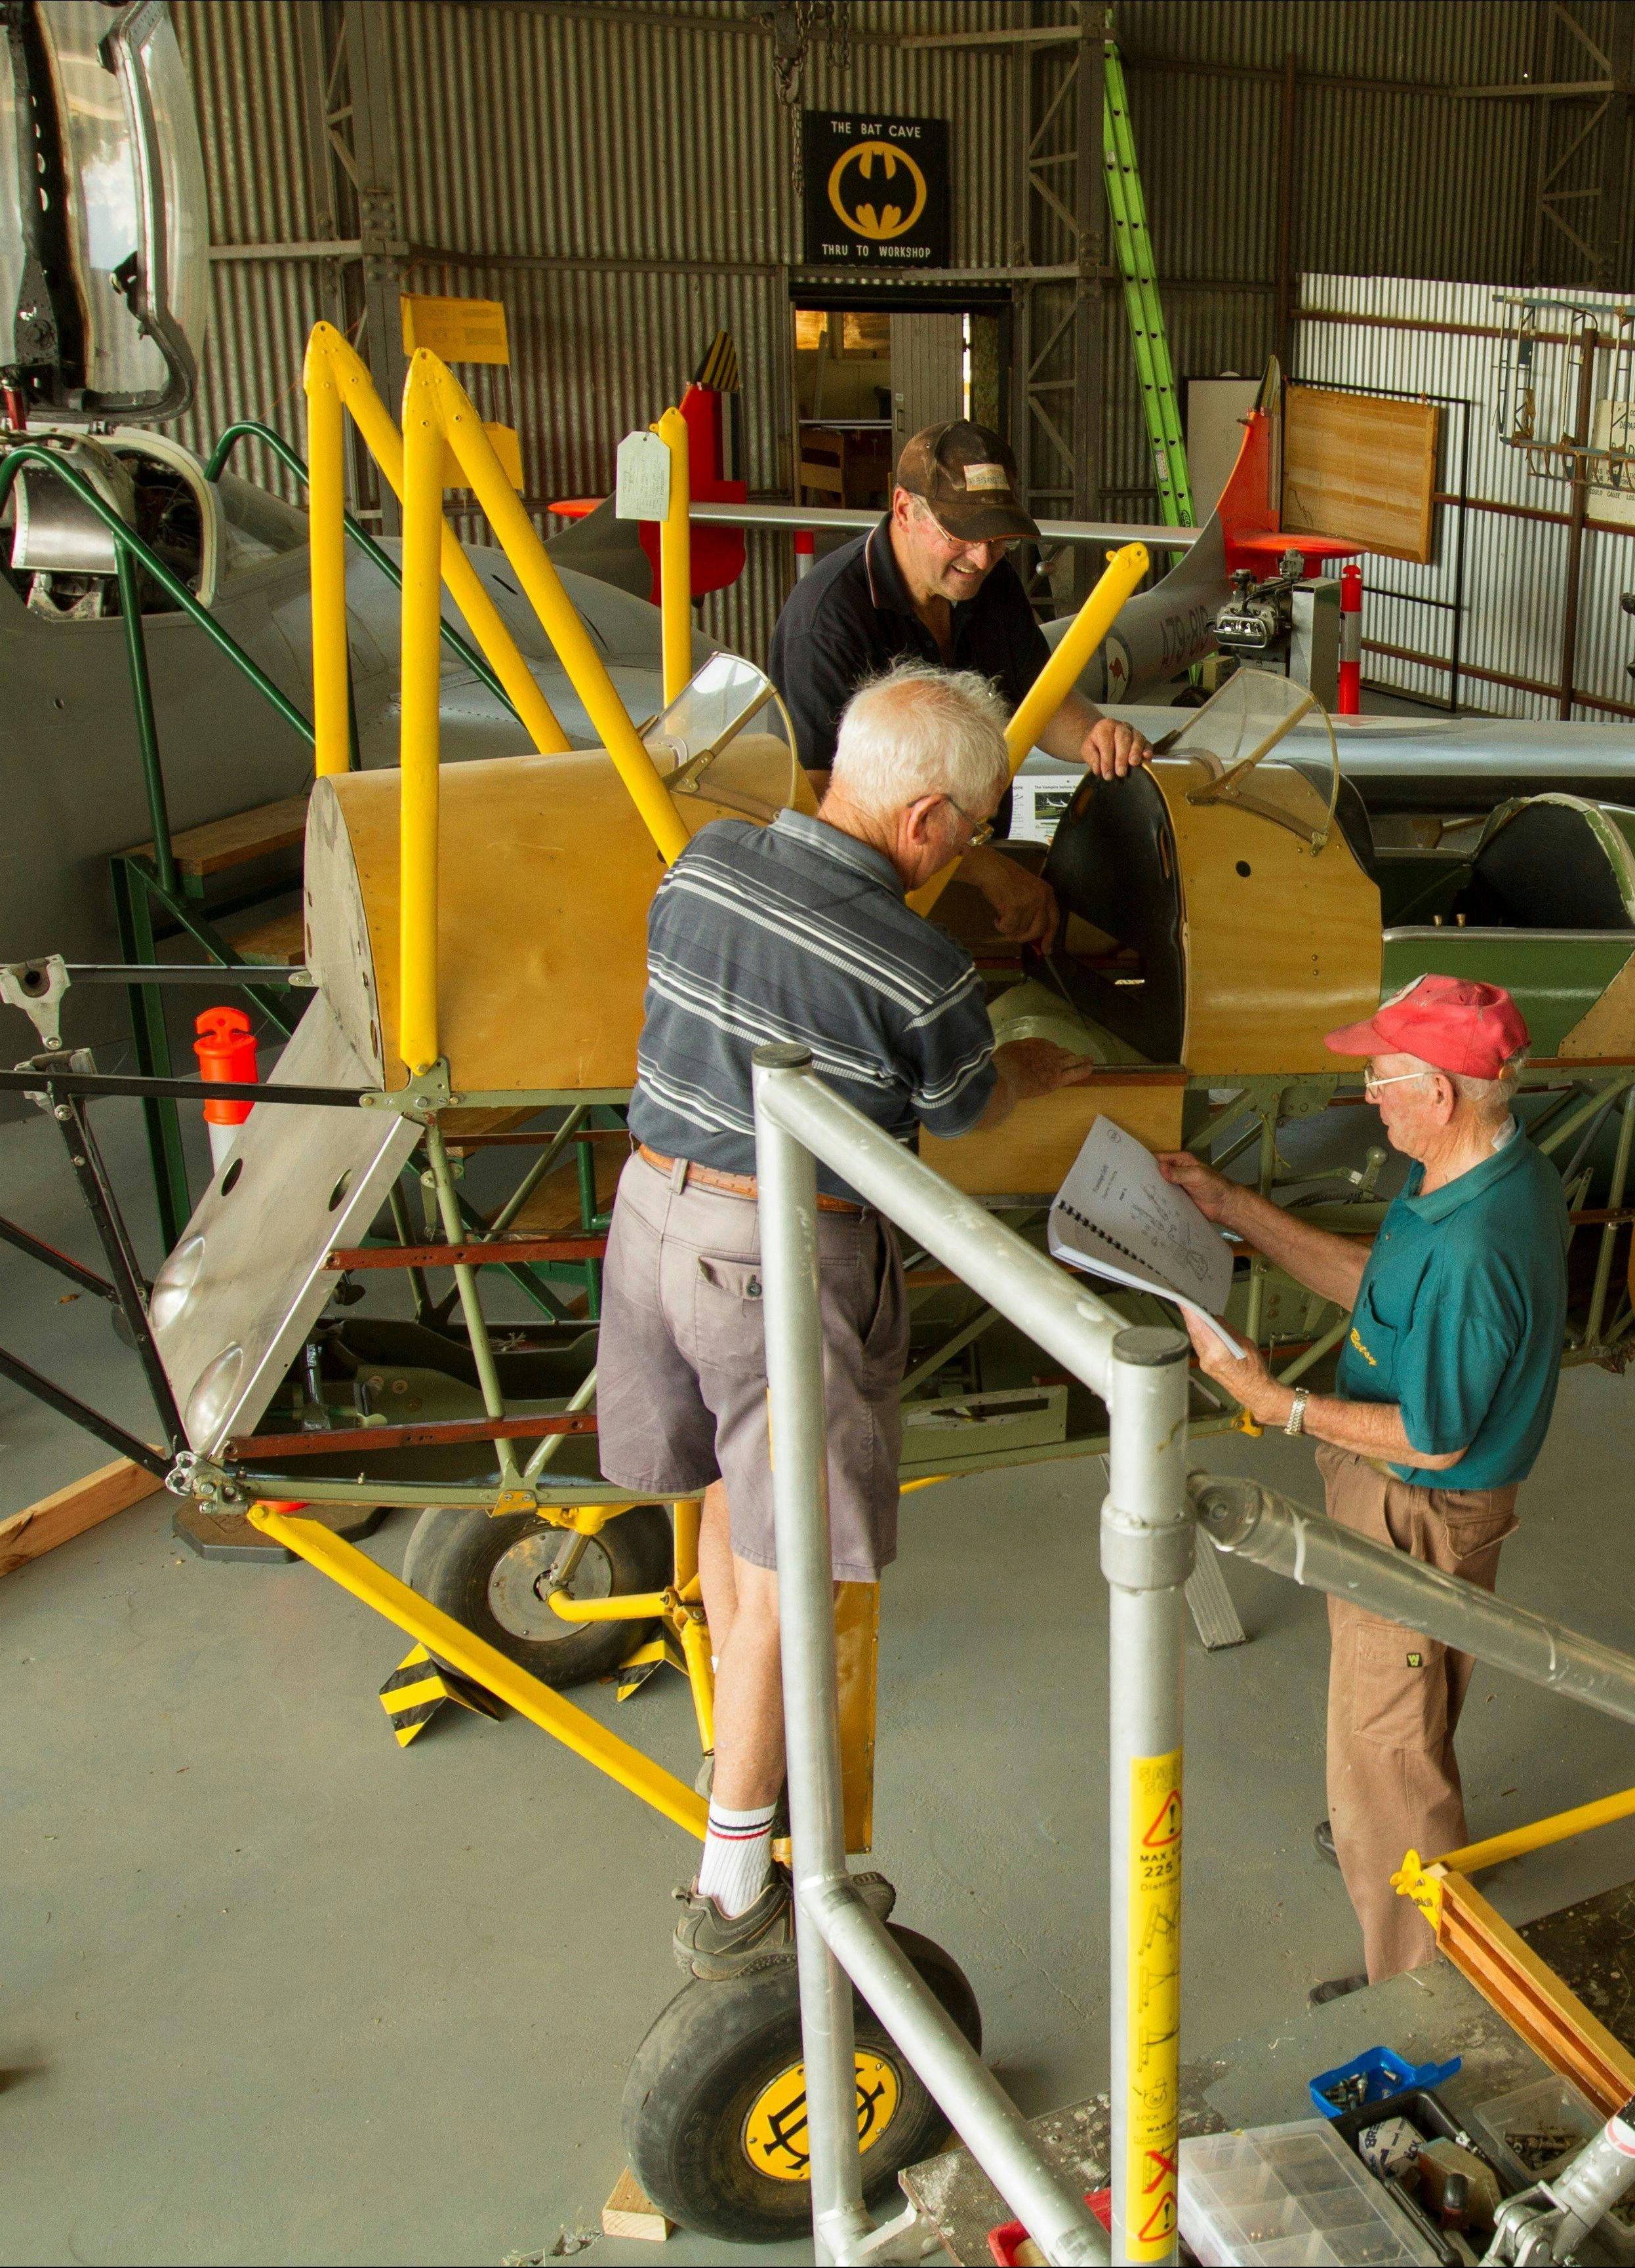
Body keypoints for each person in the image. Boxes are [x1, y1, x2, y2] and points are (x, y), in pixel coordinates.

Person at [603, 660, 1093, 1978]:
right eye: (975, 827)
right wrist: (1021, 1065)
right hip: (772, 1253)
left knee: (719, 1499)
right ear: (927, 821)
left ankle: (732, 1757)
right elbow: (961, 1110)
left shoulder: (698, 864)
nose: (968, 852)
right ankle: (733, 1884)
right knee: (793, 1568)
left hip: (647, 1213)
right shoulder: (921, 962)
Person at [1160, 977, 1569, 1992]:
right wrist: (1232, 1207)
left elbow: (1432, 1439)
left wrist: (1275, 1404)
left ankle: (1421, 1980)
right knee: (1408, 1711)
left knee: (1383, 1748)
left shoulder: (1476, 1246)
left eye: (1380, 1079)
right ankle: (1387, 1845)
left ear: (1437, 1090)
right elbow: (1375, 1281)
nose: (1366, 1095)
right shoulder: (1470, 1175)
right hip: (1409, 1496)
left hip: (1418, 1504)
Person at [769, 420, 1155, 954]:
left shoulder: (988, 583)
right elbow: (816, 798)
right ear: (904, 509)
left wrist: (1096, 734)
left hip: (968, 852)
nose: (981, 559)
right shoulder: (827, 623)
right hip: (874, 891)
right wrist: (986, 869)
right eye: (962, 536)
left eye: (997, 540)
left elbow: (1035, 695)